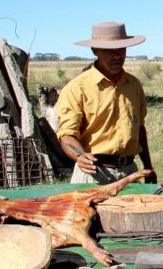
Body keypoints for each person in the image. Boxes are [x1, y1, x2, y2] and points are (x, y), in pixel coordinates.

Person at [56, 21, 156, 184]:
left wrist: (148, 166)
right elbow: (67, 135)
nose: (117, 56)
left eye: (121, 49)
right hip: (93, 173)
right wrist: (80, 156)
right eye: (109, 50)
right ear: (95, 50)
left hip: (129, 172)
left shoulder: (134, 85)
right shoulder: (77, 88)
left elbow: (139, 128)